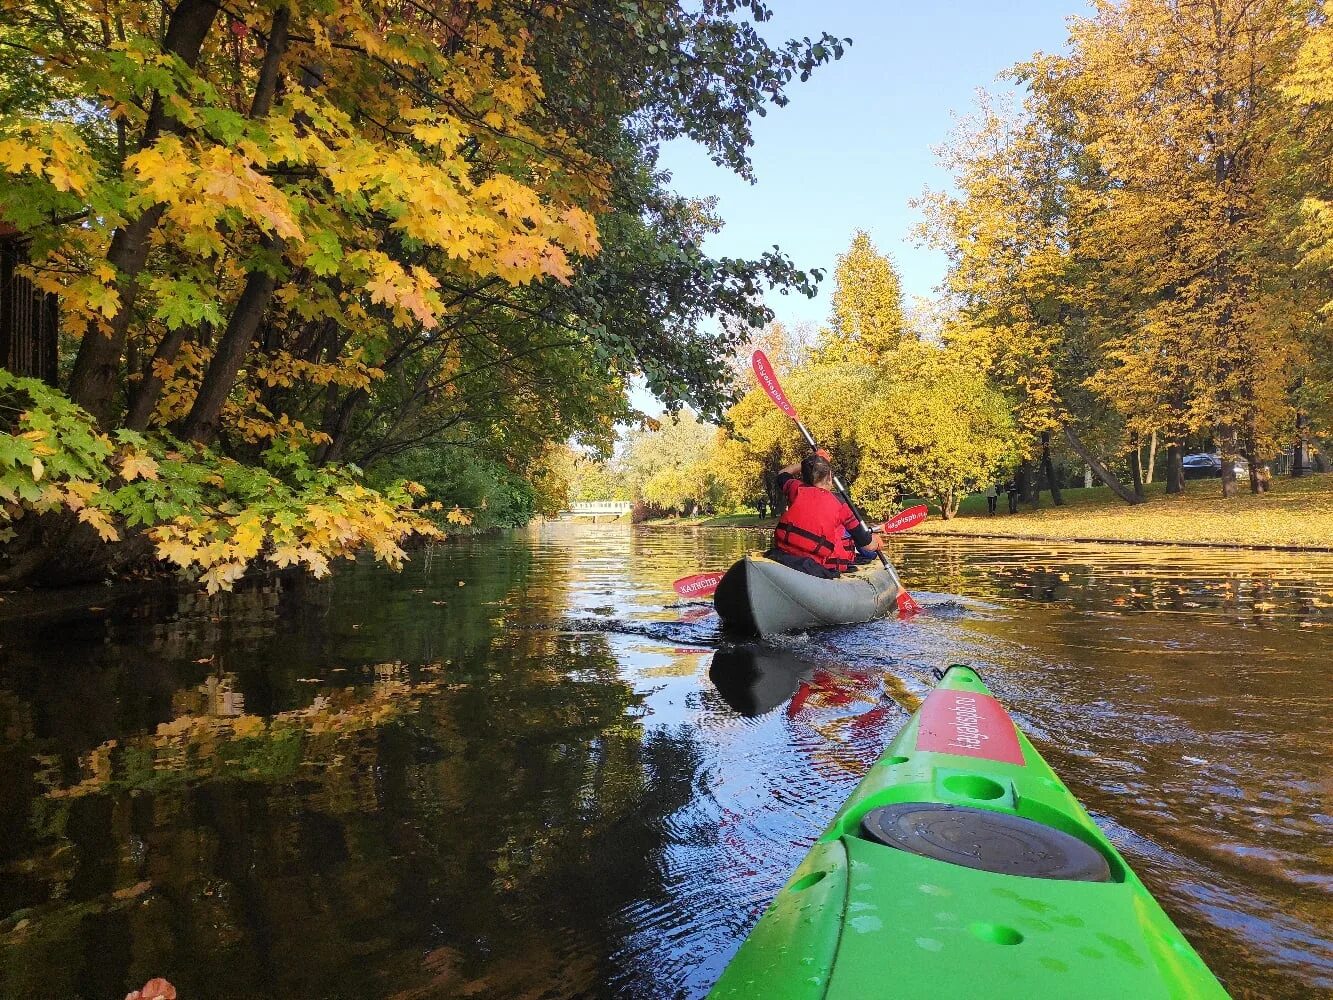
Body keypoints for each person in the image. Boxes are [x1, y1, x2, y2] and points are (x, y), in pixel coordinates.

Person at [768, 450, 881, 578]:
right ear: (830, 477)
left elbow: (782, 473)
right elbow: (868, 546)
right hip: (815, 567)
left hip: (783, 556)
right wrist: (876, 542)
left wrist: (810, 461)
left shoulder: (795, 488)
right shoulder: (841, 505)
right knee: (867, 551)